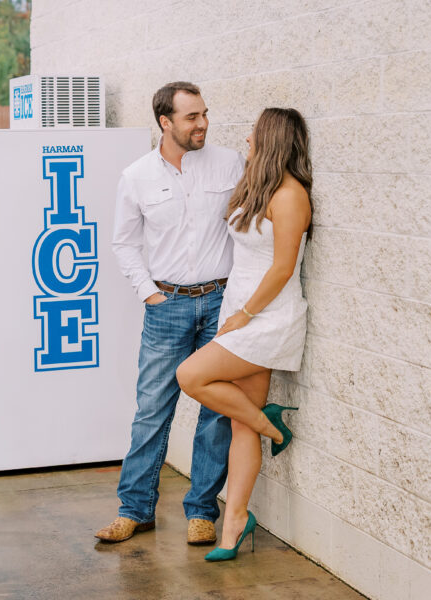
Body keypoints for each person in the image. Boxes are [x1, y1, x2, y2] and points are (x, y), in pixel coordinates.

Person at [95, 82, 245, 546]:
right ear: (165, 122)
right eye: (191, 117)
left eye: (204, 114)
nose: (202, 124)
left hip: (221, 302)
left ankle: (201, 511)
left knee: (216, 410)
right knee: (152, 410)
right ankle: (134, 509)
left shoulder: (229, 162)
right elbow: (123, 242)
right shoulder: (136, 176)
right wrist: (149, 294)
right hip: (167, 305)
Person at [176, 107, 312, 561]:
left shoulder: (291, 196)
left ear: (272, 140)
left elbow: (283, 267)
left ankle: (271, 426)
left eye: (254, 137)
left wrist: (247, 314)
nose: (247, 142)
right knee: (239, 422)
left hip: (267, 317)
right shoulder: (257, 189)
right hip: (241, 309)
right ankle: (234, 525)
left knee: (190, 376)